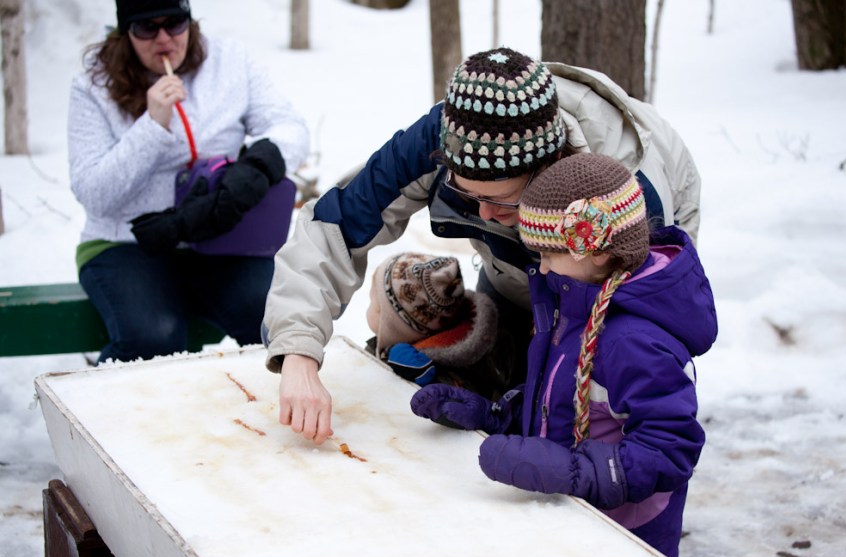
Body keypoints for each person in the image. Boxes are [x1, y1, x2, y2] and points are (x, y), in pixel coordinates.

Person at [263, 46, 700, 444]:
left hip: (613, 264)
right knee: (503, 373)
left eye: (499, 199)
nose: (484, 214)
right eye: (468, 195)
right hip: (513, 266)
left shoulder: (623, 190)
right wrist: (298, 352)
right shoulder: (449, 136)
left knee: (587, 394)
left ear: (546, 169)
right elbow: (332, 227)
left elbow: (654, 319)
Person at [410, 153, 718, 557]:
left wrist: (570, 471)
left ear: (597, 251)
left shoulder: (633, 341)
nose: (542, 268)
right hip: (568, 524)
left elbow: (670, 450)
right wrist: (495, 415)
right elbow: (565, 400)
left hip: (622, 537)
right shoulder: (574, 306)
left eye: (549, 255)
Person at [68, 0, 309, 363]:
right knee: (155, 337)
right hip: (127, 242)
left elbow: (290, 128)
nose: (164, 38)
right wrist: (152, 126)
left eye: (175, 24)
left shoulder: (229, 62)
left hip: (221, 235)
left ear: (190, 22)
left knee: (279, 319)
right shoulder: (93, 85)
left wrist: (257, 167)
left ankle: (267, 413)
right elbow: (94, 194)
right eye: (147, 27)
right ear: (125, 32)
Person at [365, 252, 508, 395]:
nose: (368, 307)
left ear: (399, 327)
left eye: (375, 305)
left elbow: (462, 402)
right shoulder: (393, 344)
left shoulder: (434, 368)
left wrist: (431, 382)